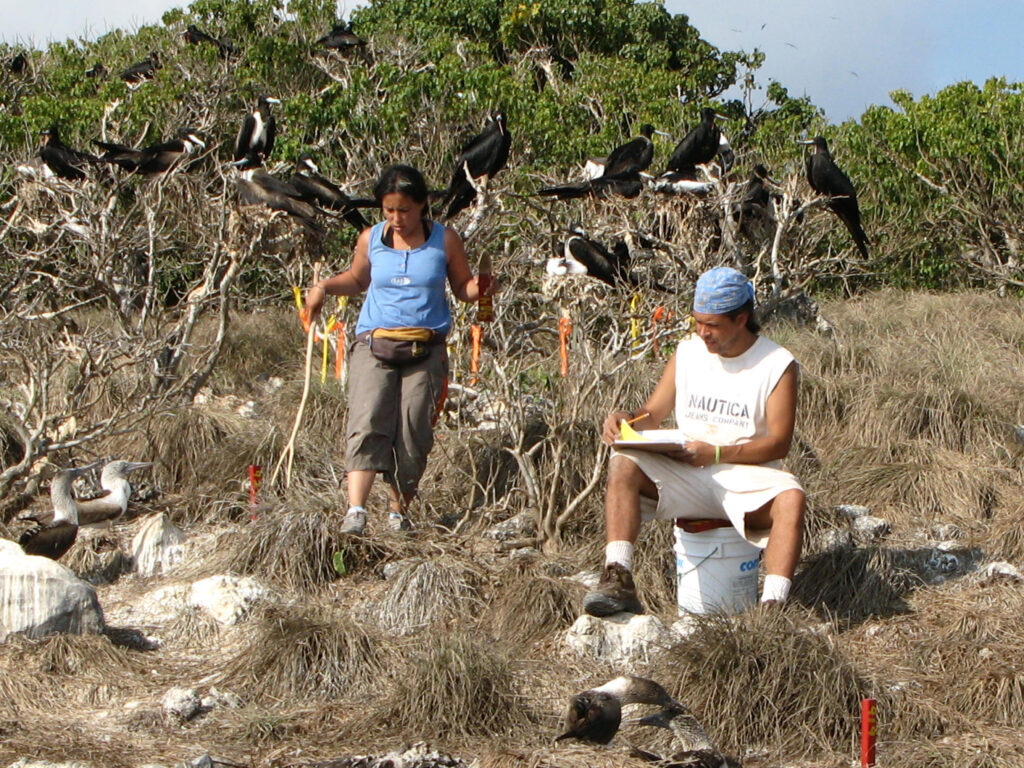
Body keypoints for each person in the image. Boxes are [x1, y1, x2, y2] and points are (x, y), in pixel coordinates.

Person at [582, 266, 806, 615]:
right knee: (623, 463)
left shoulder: (777, 364)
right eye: (698, 322)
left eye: (713, 324)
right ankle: (617, 576)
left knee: (791, 497)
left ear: (742, 319)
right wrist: (628, 419)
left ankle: (772, 609)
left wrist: (716, 452)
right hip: (687, 471)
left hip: (744, 476)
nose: (703, 332)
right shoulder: (687, 352)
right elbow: (652, 413)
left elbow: (779, 444)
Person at [304, 163, 491, 534]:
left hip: (426, 350)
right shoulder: (370, 238)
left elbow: (463, 289)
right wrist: (323, 287)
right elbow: (358, 279)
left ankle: (397, 513)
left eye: (403, 209)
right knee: (366, 420)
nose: (396, 218)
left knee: (413, 430)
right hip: (374, 345)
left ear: (421, 205)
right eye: (388, 210)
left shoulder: (445, 240)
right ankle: (355, 511)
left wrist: (482, 287)